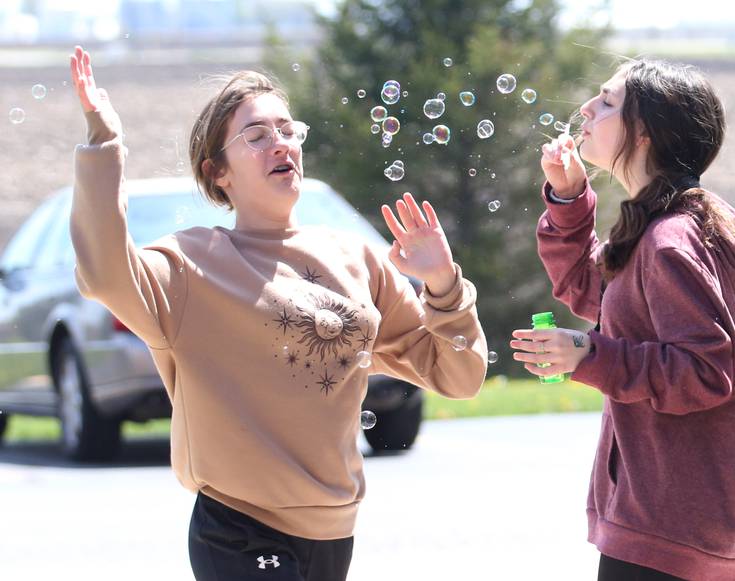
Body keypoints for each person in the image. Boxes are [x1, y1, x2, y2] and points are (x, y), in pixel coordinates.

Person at [69, 45, 488, 581]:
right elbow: (103, 272)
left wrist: (443, 285)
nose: (280, 144)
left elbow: (460, 375)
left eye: (288, 130)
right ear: (217, 171)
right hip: (239, 529)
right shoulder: (190, 263)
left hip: (335, 531)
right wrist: (104, 144)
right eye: (257, 135)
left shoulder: (356, 259)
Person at [510, 59, 735, 580]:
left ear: (643, 132)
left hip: (669, 525)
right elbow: (589, 289)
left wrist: (589, 354)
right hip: (672, 519)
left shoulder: (671, 239)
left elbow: (704, 372)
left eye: (606, 102)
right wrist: (568, 199)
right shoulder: (660, 228)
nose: (585, 109)